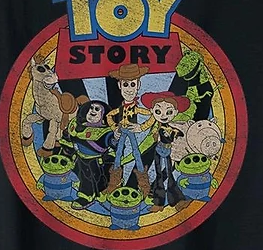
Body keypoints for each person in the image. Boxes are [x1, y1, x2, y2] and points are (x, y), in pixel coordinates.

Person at [104, 64, 153, 197]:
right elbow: (109, 116)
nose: (129, 89)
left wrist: (141, 127)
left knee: (136, 154)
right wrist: (115, 128)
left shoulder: (136, 108)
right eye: (126, 85)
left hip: (131, 131)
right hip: (122, 131)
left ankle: (144, 187)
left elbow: (152, 115)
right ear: (119, 85)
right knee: (118, 154)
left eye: (133, 84)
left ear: (138, 85)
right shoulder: (120, 108)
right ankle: (113, 184)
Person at [141, 92, 190, 212]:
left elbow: (179, 134)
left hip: (168, 152)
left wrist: (175, 133)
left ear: (176, 112)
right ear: (152, 111)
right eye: (158, 111)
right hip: (159, 151)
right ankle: (159, 203)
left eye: (169, 112)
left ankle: (178, 200)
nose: (163, 115)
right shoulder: (160, 128)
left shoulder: (171, 128)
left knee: (169, 175)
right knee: (159, 175)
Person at [64, 99, 115, 210]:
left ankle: (86, 197)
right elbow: (68, 138)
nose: (93, 111)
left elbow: (112, 143)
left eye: (97, 109)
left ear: (104, 116)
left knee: (90, 178)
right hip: (79, 157)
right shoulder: (77, 125)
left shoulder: (105, 132)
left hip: (94, 161)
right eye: (91, 108)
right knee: (80, 174)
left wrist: (115, 139)